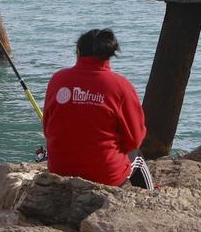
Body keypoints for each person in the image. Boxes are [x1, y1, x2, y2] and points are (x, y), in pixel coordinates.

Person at [43, 28, 152, 188]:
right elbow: (134, 139)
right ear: (108, 55)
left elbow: (47, 128)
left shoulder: (57, 79)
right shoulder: (121, 86)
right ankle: (151, 199)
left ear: (78, 52)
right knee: (138, 158)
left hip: (60, 170)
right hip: (105, 176)